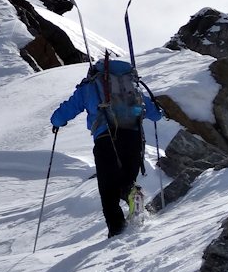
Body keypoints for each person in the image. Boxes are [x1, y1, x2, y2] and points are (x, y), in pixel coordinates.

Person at [50, 57, 162, 237]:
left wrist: (56, 122)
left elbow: (66, 111)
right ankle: (132, 194)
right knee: (125, 181)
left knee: (108, 189)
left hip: (106, 139)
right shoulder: (132, 85)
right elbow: (156, 115)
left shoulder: (90, 86)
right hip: (134, 138)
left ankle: (117, 232)